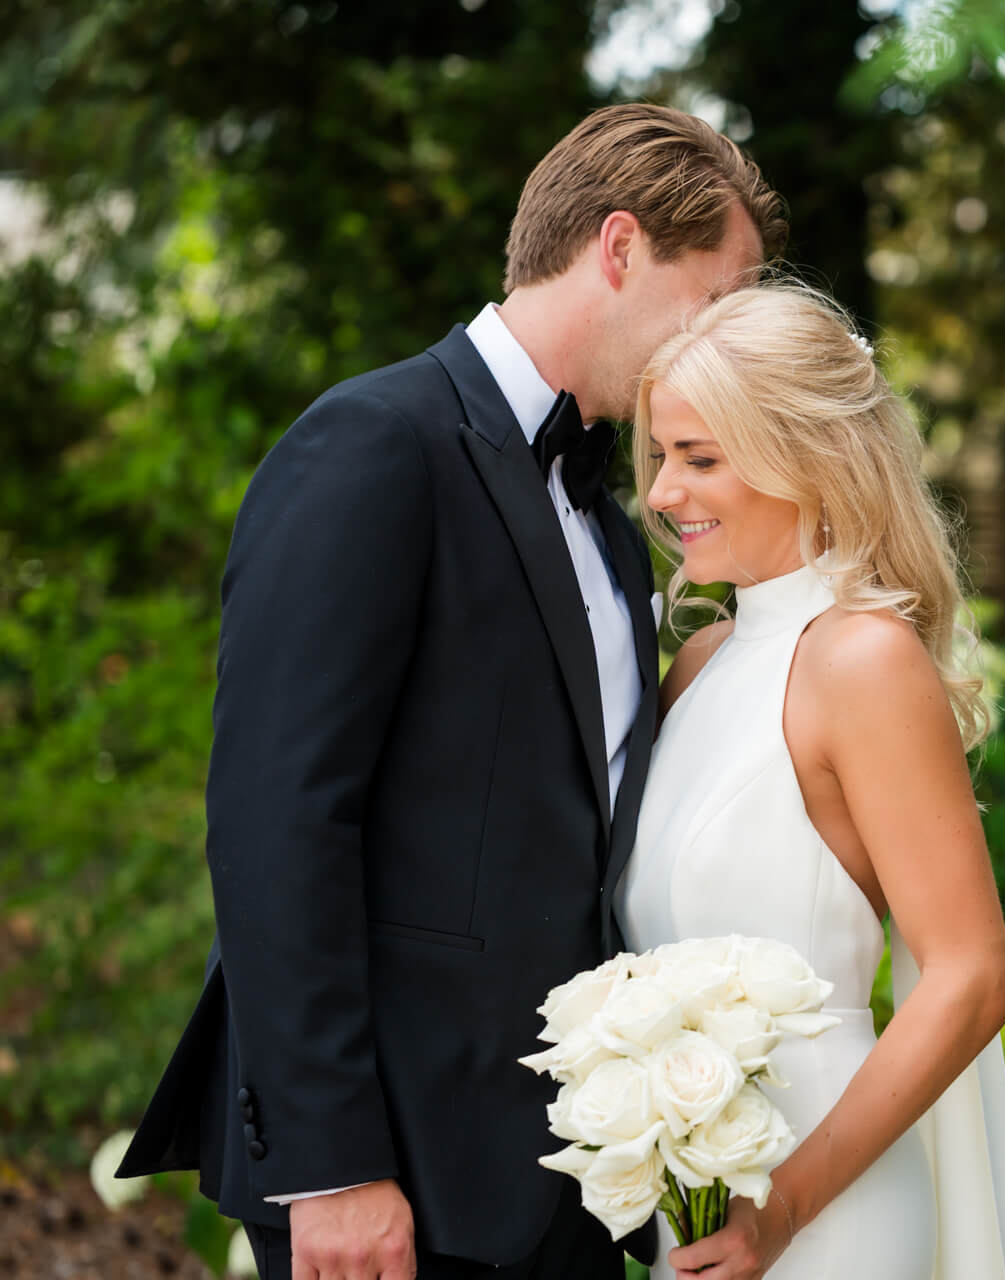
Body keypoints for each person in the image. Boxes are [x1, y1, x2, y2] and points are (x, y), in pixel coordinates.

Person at [116, 104, 784, 1280]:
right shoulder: (373, 443)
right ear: (619, 247)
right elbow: (278, 820)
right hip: (397, 1185)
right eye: (716, 298)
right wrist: (329, 1165)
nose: (721, 343)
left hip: (573, 1177)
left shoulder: (617, 523)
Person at [616, 282, 1005, 1279]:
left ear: (806, 458)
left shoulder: (863, 659)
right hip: (705, 1217)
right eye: (662, 456)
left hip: (827, 1212)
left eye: (700, 457)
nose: (664, 493)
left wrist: (788, 1205)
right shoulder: (698, 664)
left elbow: (972, 974)